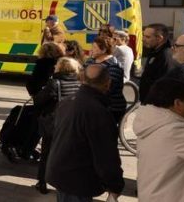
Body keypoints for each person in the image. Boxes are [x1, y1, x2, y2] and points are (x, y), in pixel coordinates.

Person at [46, 64, 125, 202]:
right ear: (108, 83)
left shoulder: (67, 101)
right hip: (77, 180)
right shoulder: (99, 113)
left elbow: (52, 131)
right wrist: (115, 185)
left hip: (61, 172)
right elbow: (106, 156)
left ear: (83, 79)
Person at [32, 57, 82, 194]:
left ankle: (42, 182)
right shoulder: (80, 82)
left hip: (54, 123)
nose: (54, 67)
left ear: (61, 68)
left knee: (47, 153)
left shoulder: (55, 83)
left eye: (57, 65)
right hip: (71, 122)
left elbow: (39, 100)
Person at [86, 36, 128, 123]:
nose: (91, 50)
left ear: (103, 50)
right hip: (93, 104)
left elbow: (108, 88)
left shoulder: (114, 65)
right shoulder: (90, 61)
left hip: (111, 107)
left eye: (94, 47)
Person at [139, 23, 176, 104]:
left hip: (155, 103)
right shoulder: (155, 51)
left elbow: (164, 84)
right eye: (143, 36)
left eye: (147, 37)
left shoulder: (165, 56)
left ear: (159, 38)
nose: (143, 39)